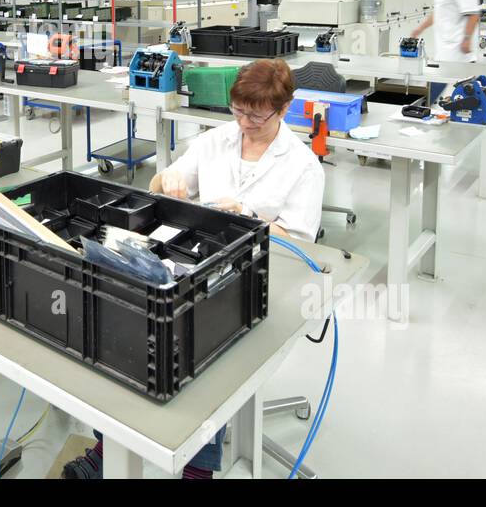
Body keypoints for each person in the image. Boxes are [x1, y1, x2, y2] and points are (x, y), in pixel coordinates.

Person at [62, 58, 324, 480]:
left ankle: (197, 471)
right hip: (196, 264)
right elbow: (161, 183)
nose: (245, 123)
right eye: (239, 111)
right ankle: (108, 446)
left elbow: (300, 243)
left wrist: (249, 216)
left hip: (259, 278)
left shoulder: (302, 165)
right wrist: (167, 181)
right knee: (125, 323)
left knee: (204, 351)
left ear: (285, 108)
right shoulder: (216, 139)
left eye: (257, 116)